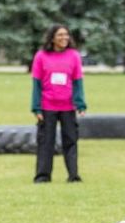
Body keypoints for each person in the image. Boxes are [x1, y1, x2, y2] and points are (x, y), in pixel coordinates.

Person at [30, 24, 87, 183]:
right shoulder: (41, 56)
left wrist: (80, 104)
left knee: (70, 141)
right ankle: (43, 176)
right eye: (60, 35)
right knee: (46, 142)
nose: (64, 38)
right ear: (52, 38)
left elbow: (77, 82)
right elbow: (36, 84)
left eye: (66, 35)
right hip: (47, 106)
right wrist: (36, 107)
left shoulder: (74, 56)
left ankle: (73, 175)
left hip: (68, 106)